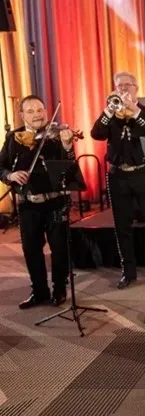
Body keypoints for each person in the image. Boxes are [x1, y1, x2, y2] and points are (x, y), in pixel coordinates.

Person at [90, 71, 145, 289]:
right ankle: (129, 272)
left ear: (136, 88)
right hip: (117, 175)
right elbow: (96, 133)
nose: (124, 89)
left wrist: (134, 111)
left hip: (142, 172)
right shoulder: (111, 115)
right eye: (120, 85)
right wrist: (108, 110)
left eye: (128, 85)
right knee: (122, 226)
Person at [0, 95, 75, 308]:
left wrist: (68, 145)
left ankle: (59, 289)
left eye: (40, 110)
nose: (37, 115)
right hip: (28, 204)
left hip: (55, 201)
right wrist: (10, 176)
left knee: (59, 249)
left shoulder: (56, 134)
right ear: (22, 115)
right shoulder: (14, 137)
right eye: (31, 111)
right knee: (31, 249)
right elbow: (1, 166)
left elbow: (69, 165)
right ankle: (39, 291)